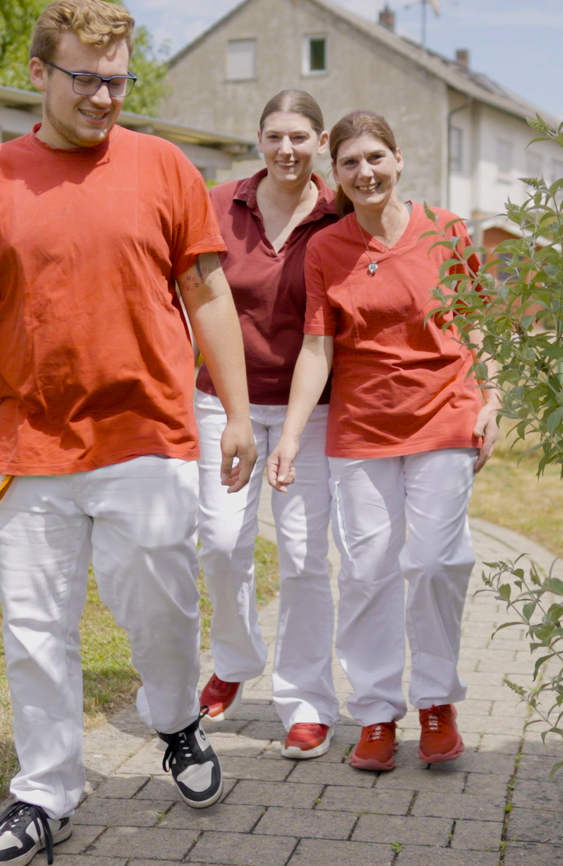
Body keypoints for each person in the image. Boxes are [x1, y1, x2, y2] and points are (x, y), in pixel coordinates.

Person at [0, 0, 258, 866]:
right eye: (85, 79)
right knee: (34, 627)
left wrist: (238, 411)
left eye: (117, 81)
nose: (105, 97)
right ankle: (44, 791)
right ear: (38, 73)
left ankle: (178, 721)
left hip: (146, 430)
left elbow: (208, 295)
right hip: (27, 443)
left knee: (161, 603)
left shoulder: (163, 168)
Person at [267, 110, 500, 772]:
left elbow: (479, 323)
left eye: (375, 157)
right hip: (361, 428)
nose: (364, 172)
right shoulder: (328, 249)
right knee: (368, 571)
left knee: (432, 563)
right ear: (334, 173)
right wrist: (288, 437)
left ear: (399, 160)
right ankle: (374, 712)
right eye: (350, 162)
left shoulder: (448, 232)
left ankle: (435, 702)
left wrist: (494, 400)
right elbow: (317, 347)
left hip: (445, 415)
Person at [191, 90, 344, 760]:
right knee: (222, 543)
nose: (287, 149)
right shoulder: (218, 205)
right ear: (258, 139)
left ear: (319, 141)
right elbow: (185, 297)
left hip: (313, 409)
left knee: (308, 557)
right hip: (223, 399)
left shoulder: (343, 213)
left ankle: (307, 701)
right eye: (275, 136)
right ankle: (234, 659)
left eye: (301, 137)